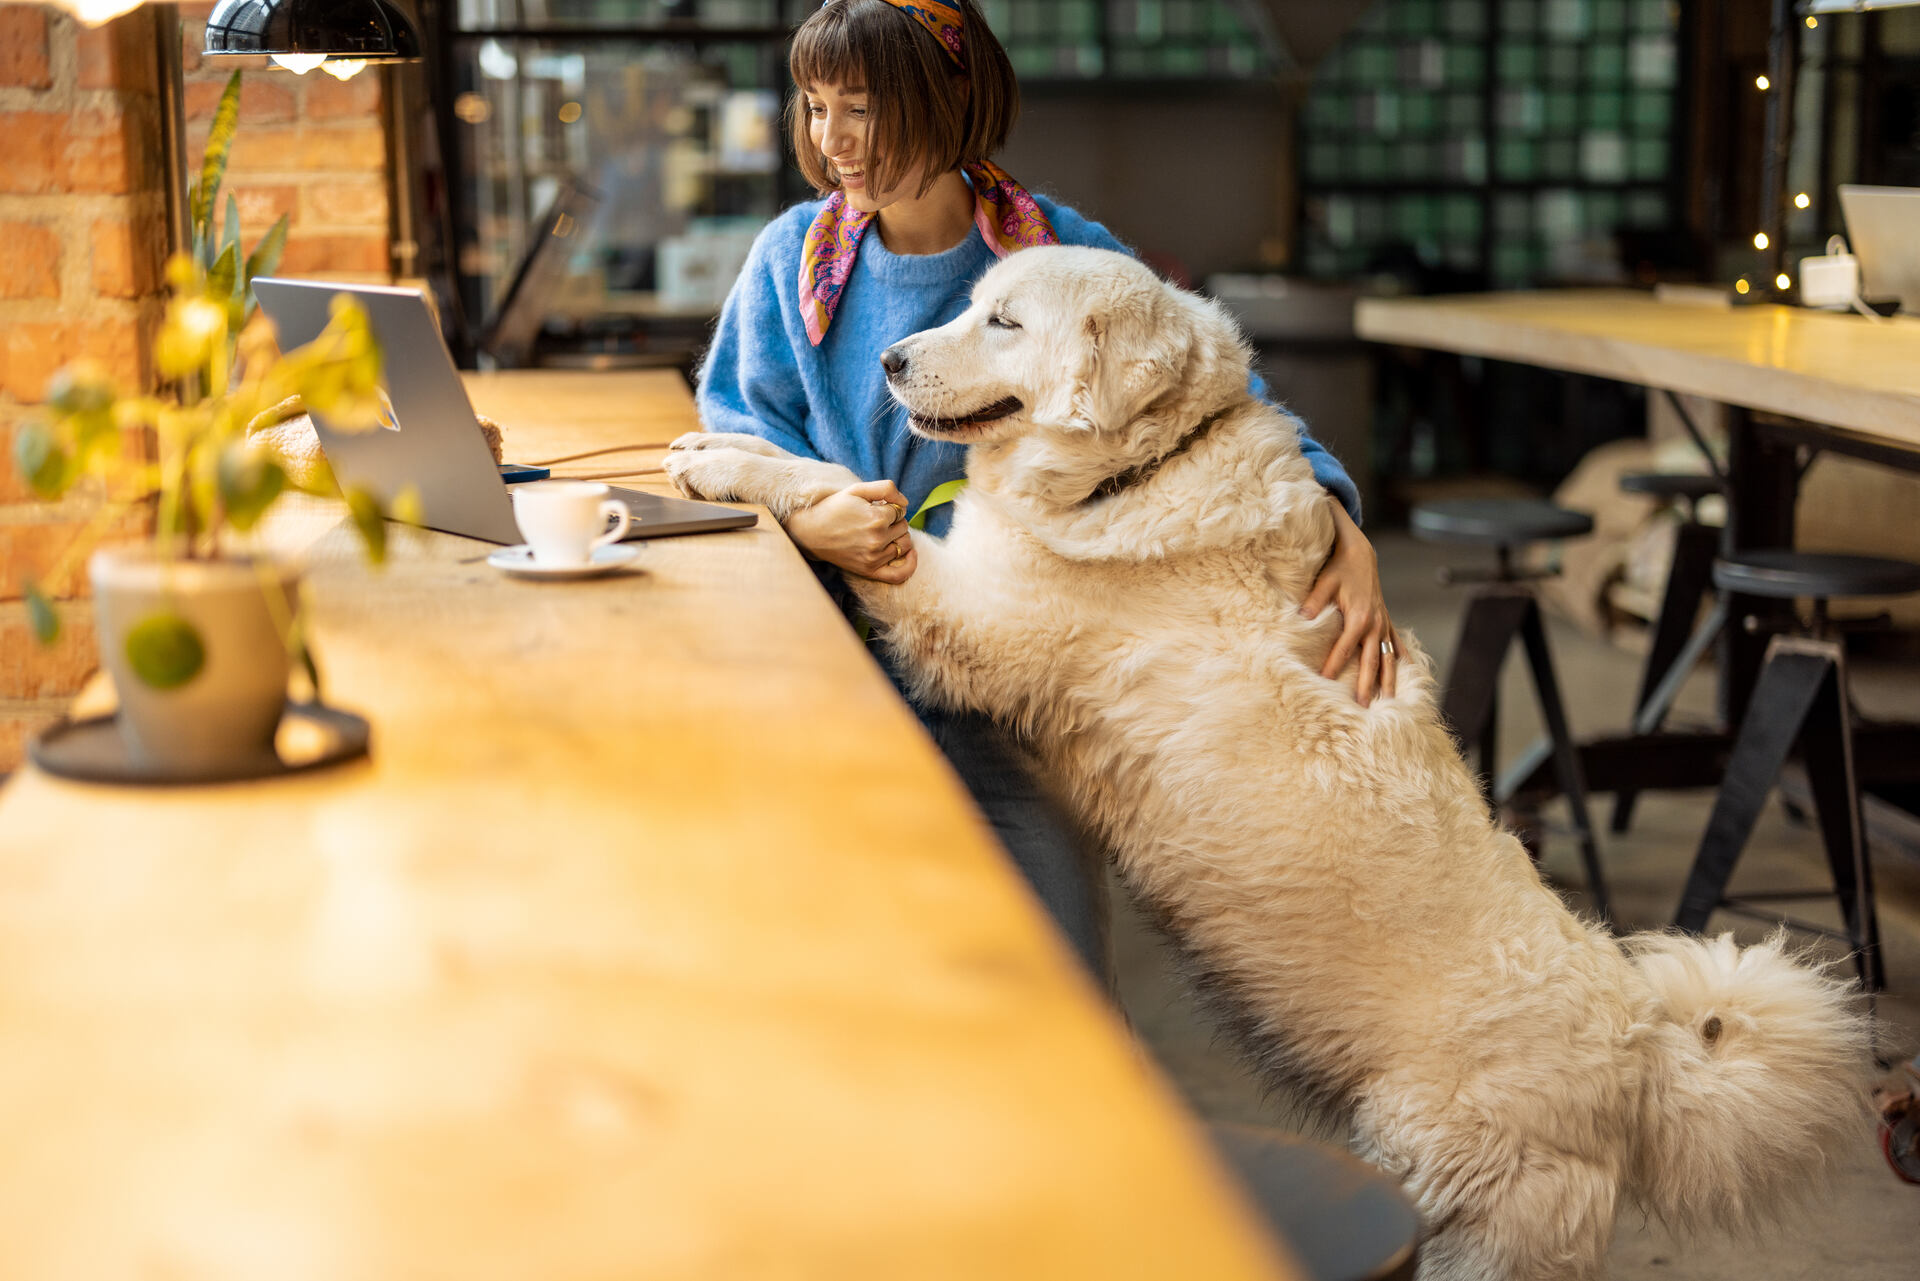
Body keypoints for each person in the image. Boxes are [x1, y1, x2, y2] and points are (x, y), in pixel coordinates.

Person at [696, 0, 1397, 979]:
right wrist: (812, 516)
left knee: (1056, 978)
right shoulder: (789, 263)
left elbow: (1212, 390)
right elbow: (740, 423)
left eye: (861, 107)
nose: (833, 140)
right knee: (863, 978)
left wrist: (1332, 513)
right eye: (814, 107)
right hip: (833, 673)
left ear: (947, 100)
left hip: (1017, 683)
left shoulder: (1057, 255)